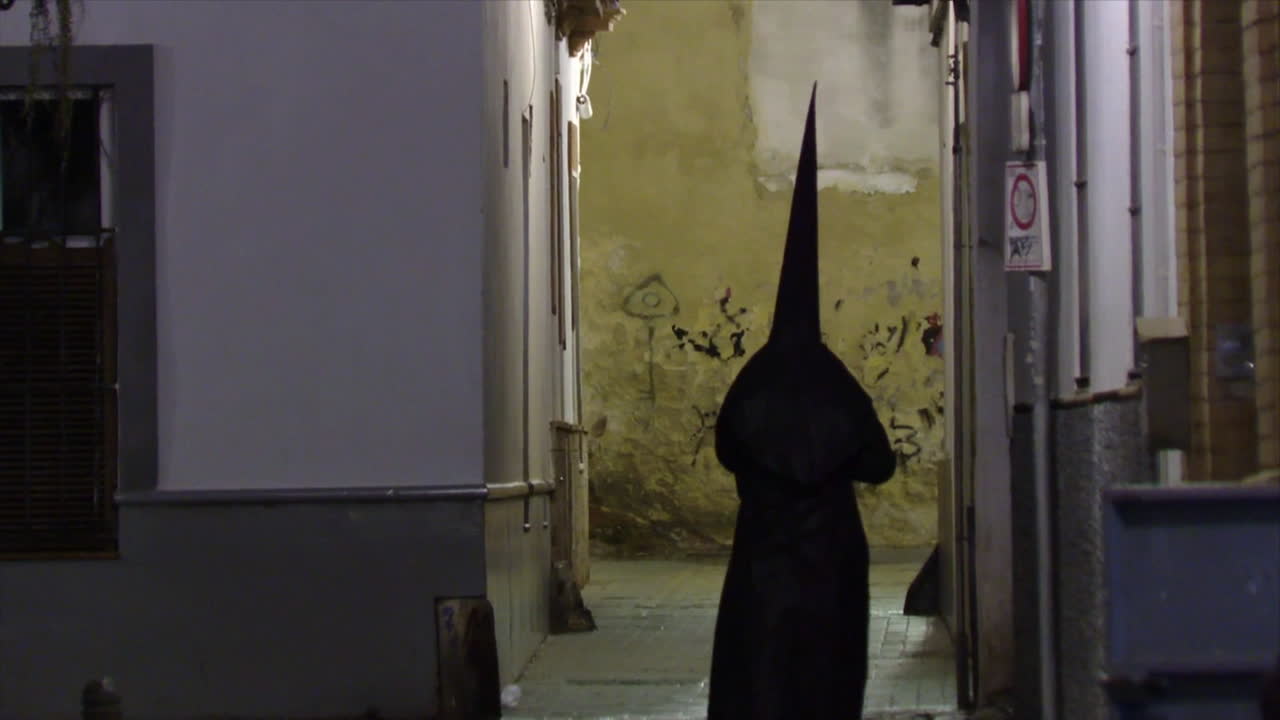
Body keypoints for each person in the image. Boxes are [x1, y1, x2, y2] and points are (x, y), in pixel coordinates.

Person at [707, 84, 896, 719]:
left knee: (760, 674)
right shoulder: (835, 382)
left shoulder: (755, 382)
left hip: (763, 555)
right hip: (831, 559)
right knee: (824, 677)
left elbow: (728, 449)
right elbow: (879, 462)